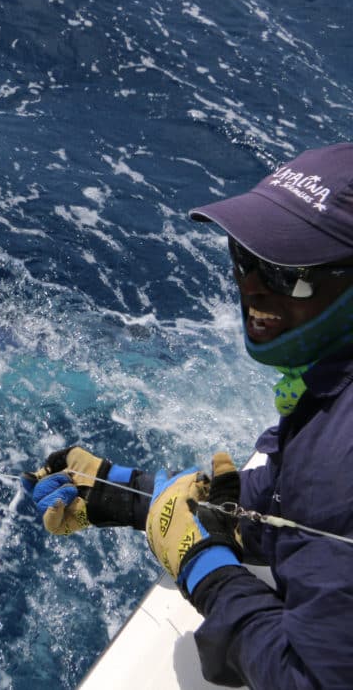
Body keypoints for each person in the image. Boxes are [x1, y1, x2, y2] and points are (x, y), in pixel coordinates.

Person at [23, 143, 353, 689]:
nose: (251, 285)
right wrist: (127, 494)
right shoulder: (328, 399)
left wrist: (207, 571)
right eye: (245, 257)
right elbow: (303, 508)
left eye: (291, 273)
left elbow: (310, 679)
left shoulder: (339, 453)